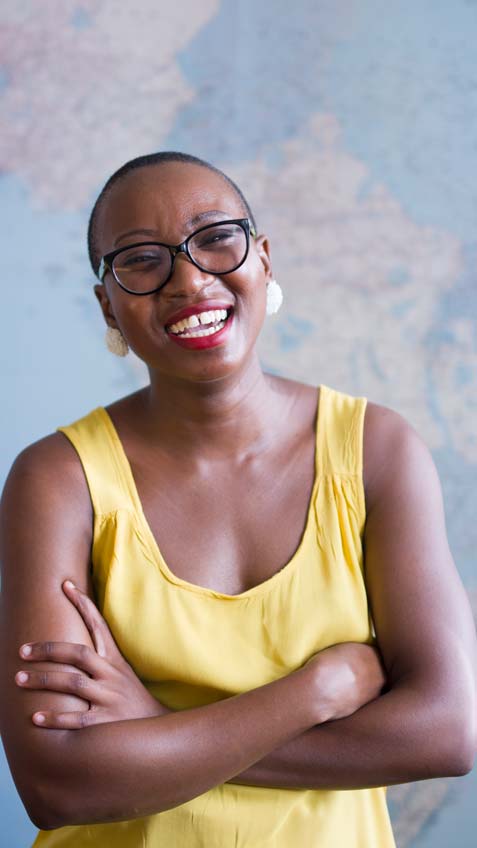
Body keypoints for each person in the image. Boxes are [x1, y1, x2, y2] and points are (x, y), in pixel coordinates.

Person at [0, 152, 475, 848]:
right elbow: (58, 785)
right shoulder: (57, 479)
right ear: (107, 302)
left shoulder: (376, 450)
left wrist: (154, 729)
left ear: (263, 258)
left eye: (215, 238)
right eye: (140, 260)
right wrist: (311, 695)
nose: (189, 280)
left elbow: (446, 733)